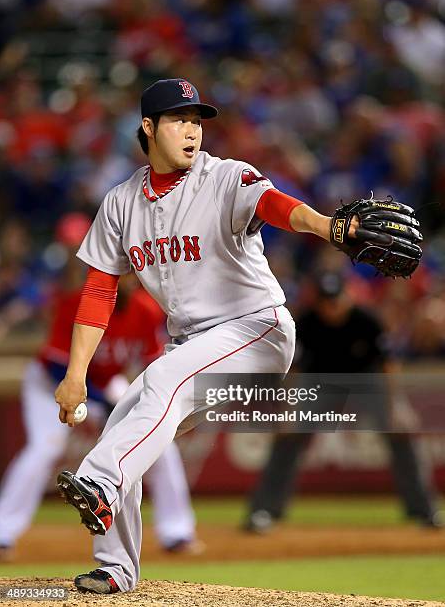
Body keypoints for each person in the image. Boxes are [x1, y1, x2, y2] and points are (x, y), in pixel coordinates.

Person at [54, 78, 359, 594]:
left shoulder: (225, 177)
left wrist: (328, 227)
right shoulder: (122, 203)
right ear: (149, 128)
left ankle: (100, 481)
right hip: (195, 345)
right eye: (179, 120)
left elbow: (278, 206)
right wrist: (75, 374)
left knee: (161, 383)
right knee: (124, 426)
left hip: (256, 329)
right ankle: (115, 568)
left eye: (197, 121)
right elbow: (100, 291)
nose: (192, 130)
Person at [0, 213, 200, 562]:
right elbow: (57, 362)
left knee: (159, 441)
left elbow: (155, 363)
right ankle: (2, 532)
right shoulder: (77, 300)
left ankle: (177, 532)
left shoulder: (145, 310)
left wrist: (147, 404)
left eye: (132, 272)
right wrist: (100, 400)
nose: (130, 278)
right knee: (45, 448)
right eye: (123, 271)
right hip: (53, 383)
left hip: (106, 384)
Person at [244, 271, 441, 533]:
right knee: (288, 436)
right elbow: (295, 372)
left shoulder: (366, 320)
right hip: (321, 385)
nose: (331, 307)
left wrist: (395, 408)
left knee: (402, 431)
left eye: (335, 300)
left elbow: (388, 366)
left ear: (346, 297)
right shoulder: (307, 323)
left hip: (366, 382)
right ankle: (264, 510)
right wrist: (288, 411)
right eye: (326, 301)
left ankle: (425, 511)